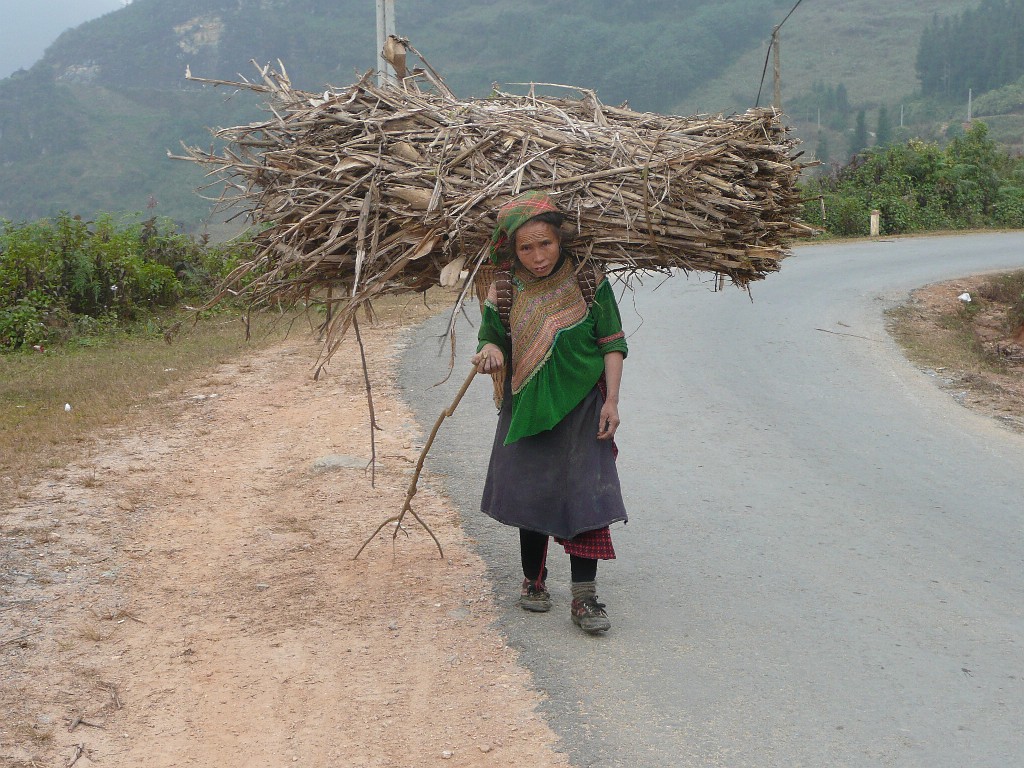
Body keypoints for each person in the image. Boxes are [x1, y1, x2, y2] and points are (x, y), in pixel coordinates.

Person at [471, 190, 629, 635]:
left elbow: (612, 342)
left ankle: (585, 599)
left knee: (588, 498)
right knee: (531, 494)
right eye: (526, 247)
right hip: (527, 405)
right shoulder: (502, 289)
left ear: (561, 241)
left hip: (585, 408)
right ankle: (534, 581)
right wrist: (490, 352)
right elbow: (491, 339)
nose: (537, 256)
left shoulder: (588, 280)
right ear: (511, 249)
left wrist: (612, 401)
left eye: (546, 244)